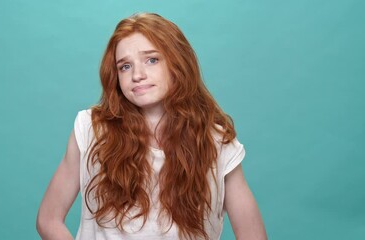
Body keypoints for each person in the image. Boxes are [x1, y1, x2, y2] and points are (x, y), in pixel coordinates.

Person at [36, 13, 267, 240]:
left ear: (178, 64)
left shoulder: (216, 142)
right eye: (125, 66)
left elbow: (252, 234)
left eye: (152, 60)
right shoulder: (91, 129)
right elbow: (48, 219)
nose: (137, 75)